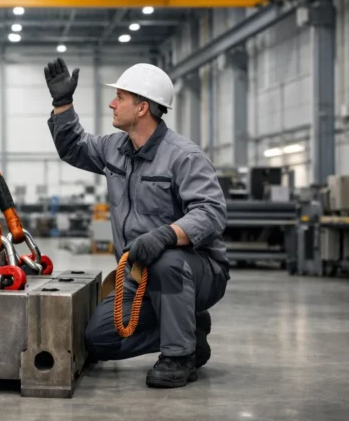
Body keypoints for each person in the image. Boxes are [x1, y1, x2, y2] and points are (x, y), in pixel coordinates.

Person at [45, 58, 229, 388]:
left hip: (199, 272)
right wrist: (62, 105)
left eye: (120, 98)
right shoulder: (114, 148)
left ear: (142, 107)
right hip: (138, 272)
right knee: (99, 339)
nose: (112, 104)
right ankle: (191, 331)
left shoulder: (183, 156)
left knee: (167, 260)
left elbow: (212, 212)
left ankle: (179, 357)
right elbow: (73, 147)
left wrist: (166, 235)